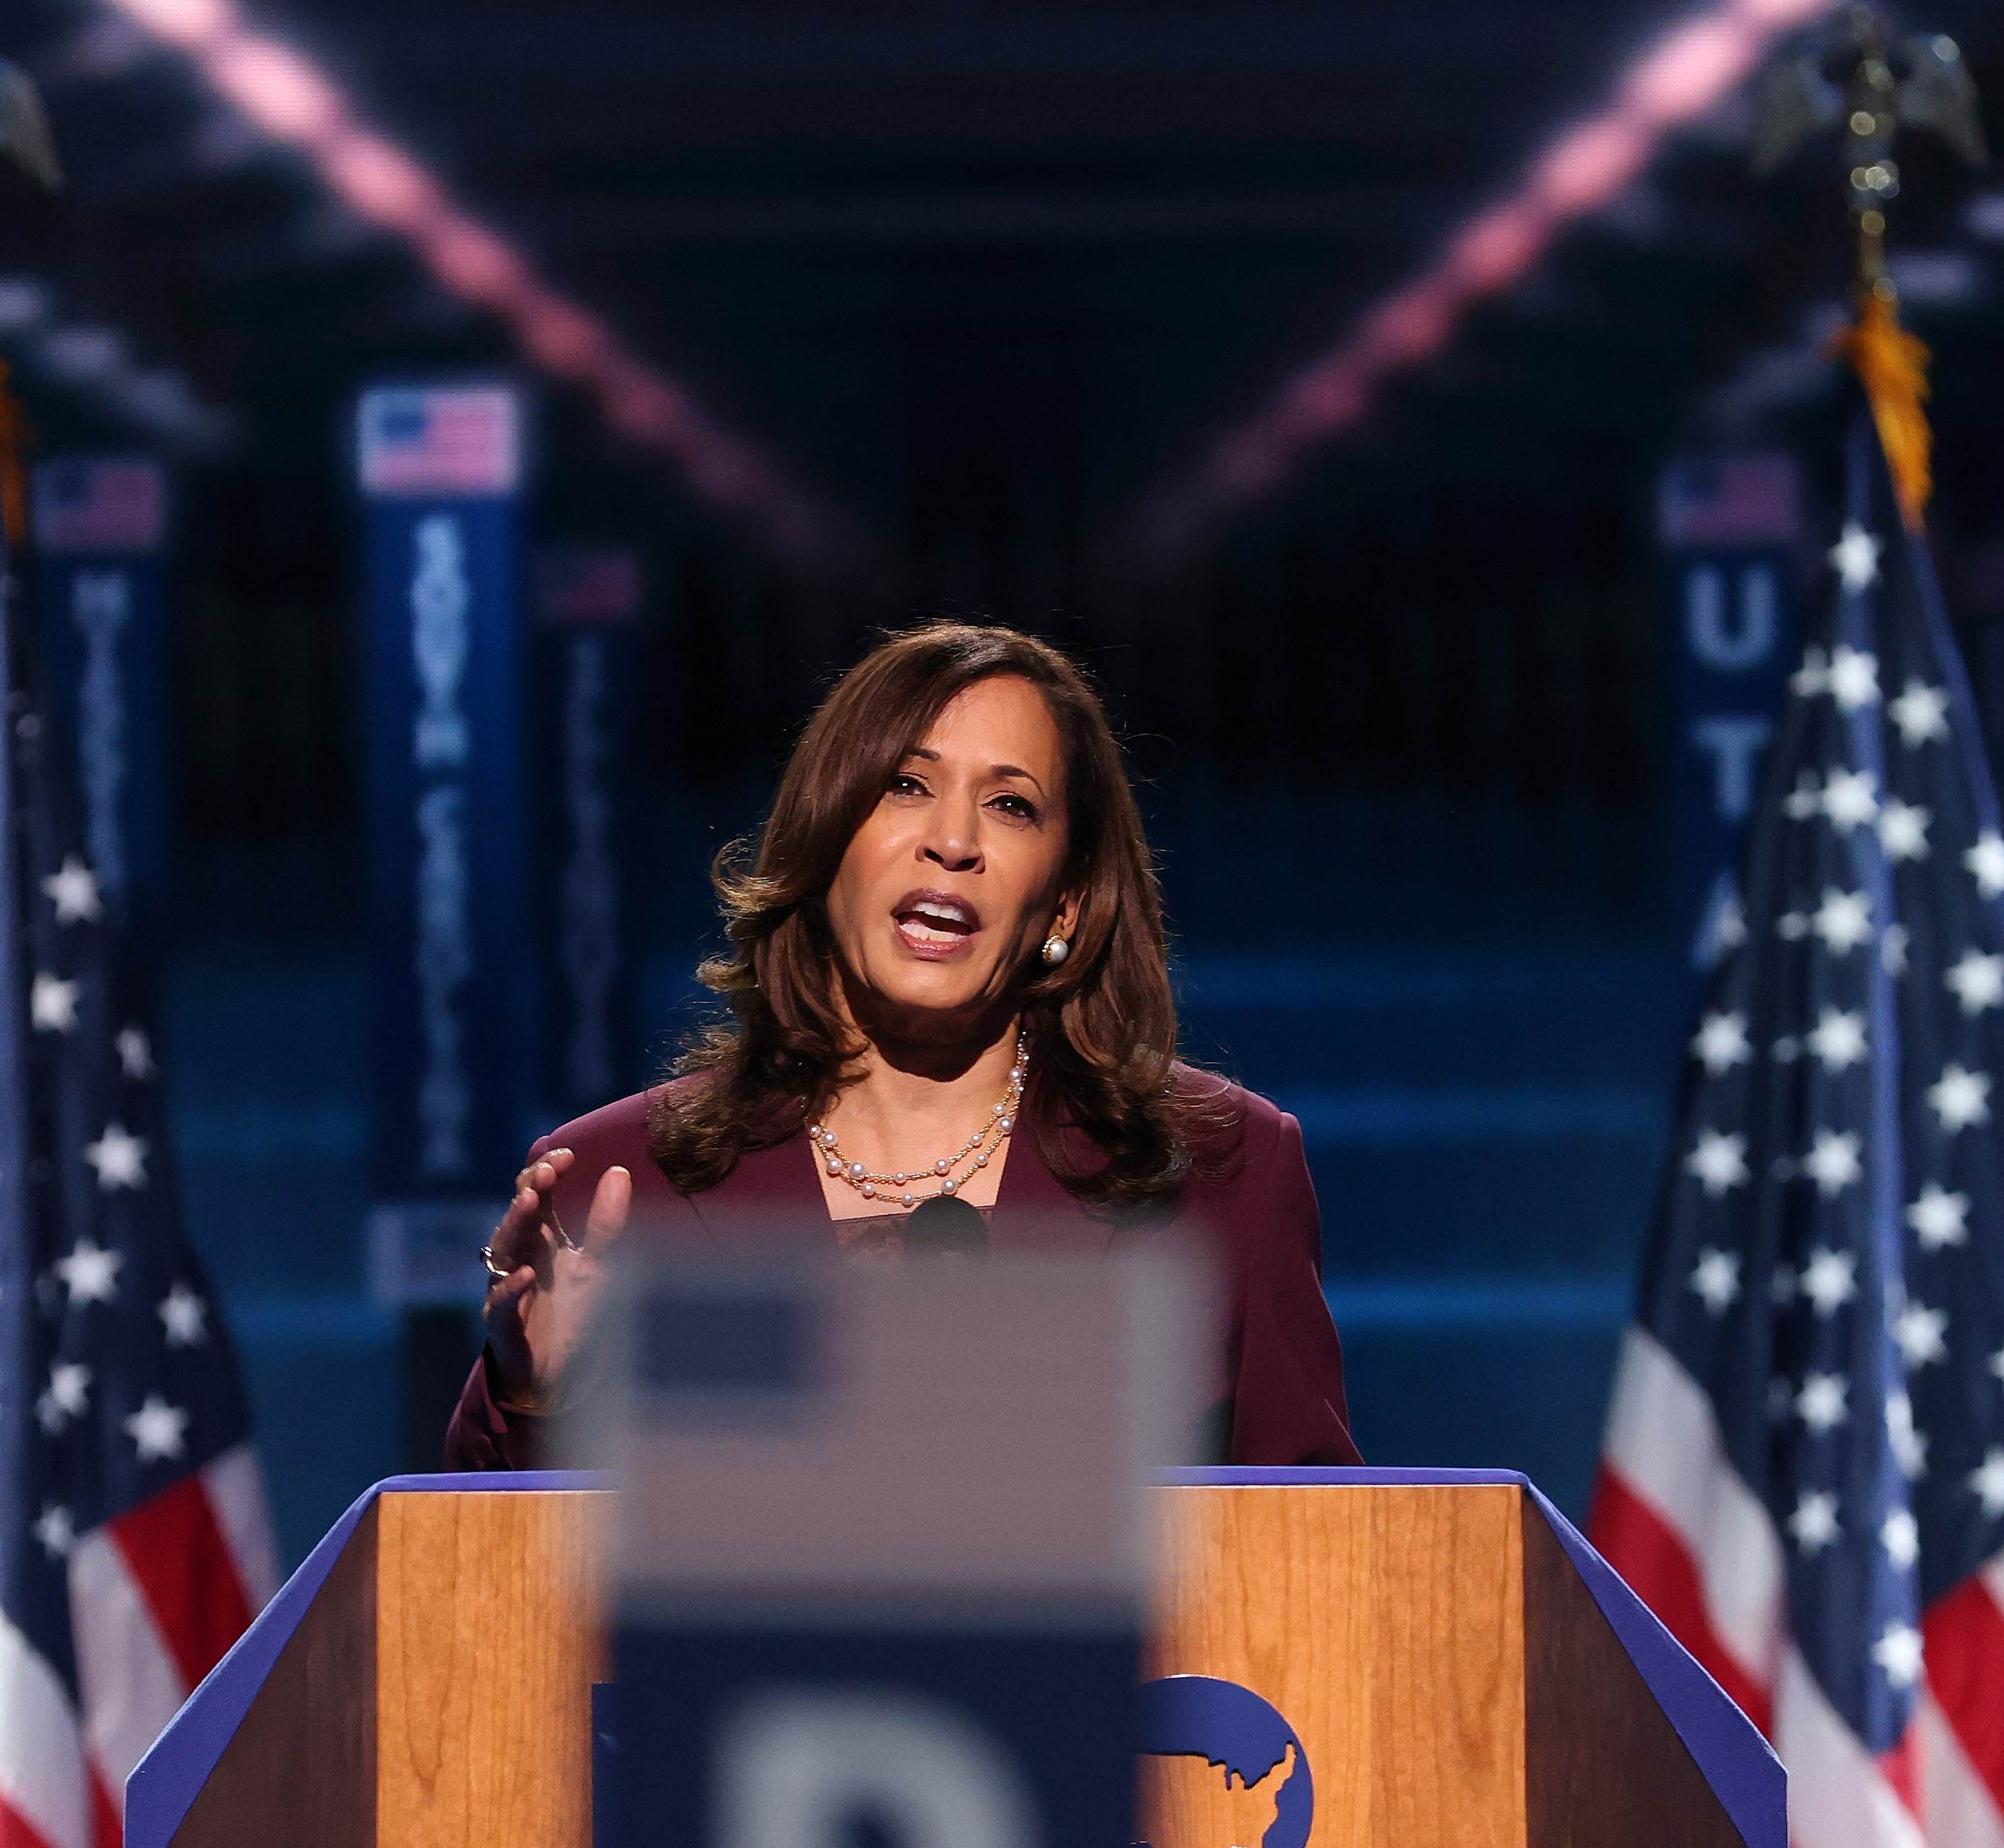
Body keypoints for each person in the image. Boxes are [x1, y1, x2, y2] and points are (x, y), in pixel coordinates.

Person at [445, 617, 1356, 1470]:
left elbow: (1320, 1568)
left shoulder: (1222, 1174)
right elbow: (479, 1601)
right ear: (826, 839)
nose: (953, 841)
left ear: (1067, 902)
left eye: (1011, 805)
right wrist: (538, 1406)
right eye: (906, 786)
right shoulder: (619, 1187)